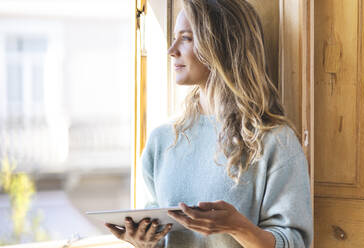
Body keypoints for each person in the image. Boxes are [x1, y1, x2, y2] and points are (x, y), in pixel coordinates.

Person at [105, 0, 313, 247]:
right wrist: (145, 242)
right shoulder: (162, 140)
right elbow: (163, 237)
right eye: (174, 38)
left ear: (223, 45)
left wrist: (238, 227)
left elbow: (295, 242)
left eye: (186, 38)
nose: (171, 50)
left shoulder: (275, 141)